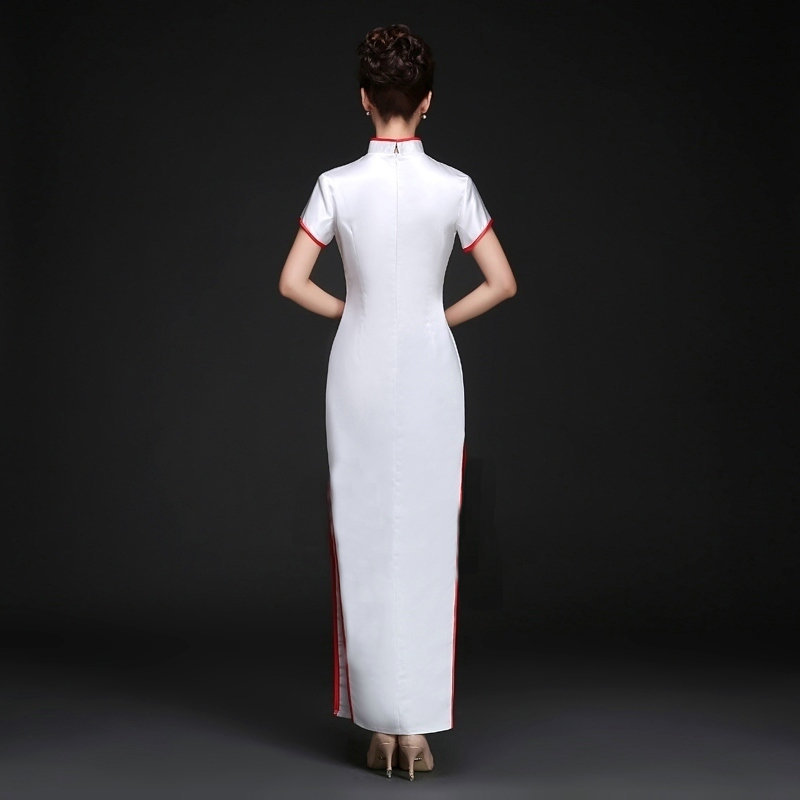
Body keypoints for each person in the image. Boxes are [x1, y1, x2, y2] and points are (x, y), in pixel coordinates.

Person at [278, 23, 517, 780]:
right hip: (429, 366)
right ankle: (416, 731)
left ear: (364, 100)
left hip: (355, 366)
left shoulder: (335, 185)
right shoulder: (454, 187)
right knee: (427, 539)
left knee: (362, 534)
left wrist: (353, 312)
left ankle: (380, 725)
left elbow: (291, 281)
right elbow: (502, 282)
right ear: (427, 102)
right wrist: (435, 318)